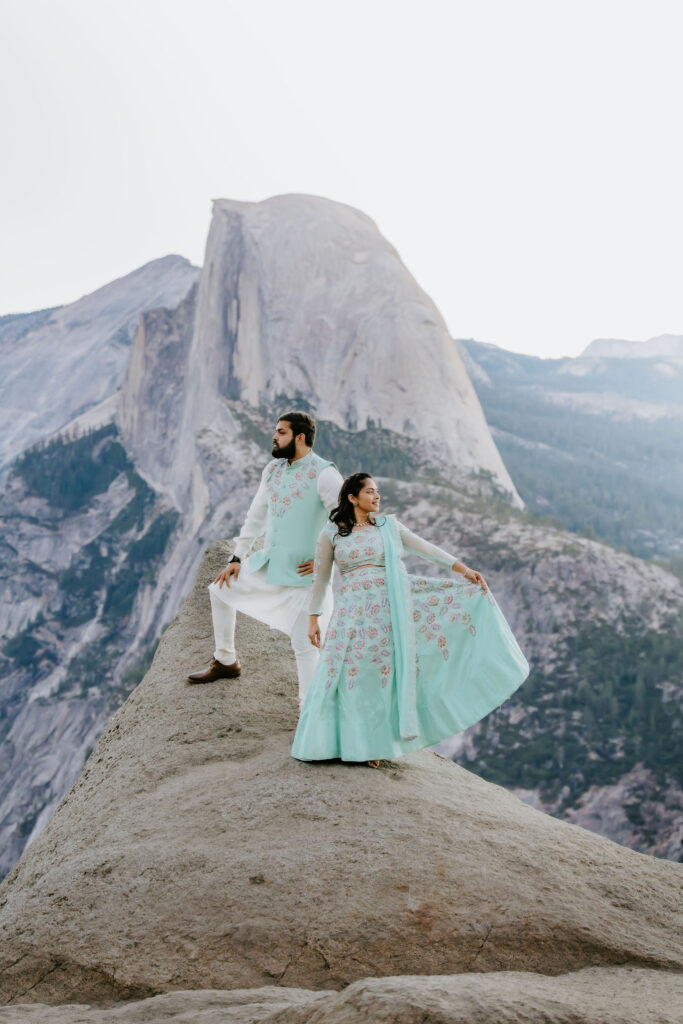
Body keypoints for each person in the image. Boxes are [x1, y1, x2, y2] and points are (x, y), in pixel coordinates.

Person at [291, 472, 529, 764]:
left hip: (389, 612)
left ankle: (373, 746)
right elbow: (321, 578)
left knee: (379, 676)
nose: (377, 496)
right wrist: (313, 617)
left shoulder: (388, 526)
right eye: (370, 492)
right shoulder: (331, 534)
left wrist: (464, 570)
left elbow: (426, 549)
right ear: (352, 497)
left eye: (378, 491)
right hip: (351, 614)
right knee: (348, 674)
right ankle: (337, 741)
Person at [188, 411, 343, 704]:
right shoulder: (273, 470)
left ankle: (310, 723)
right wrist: (237, 557)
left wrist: (328, 559)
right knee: (220, 589)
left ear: (300, 437)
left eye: (281, 432)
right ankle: (225, 660)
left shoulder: (326, 474)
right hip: (270, 566)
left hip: (305, 579)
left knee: (306, 648)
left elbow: (347, 521)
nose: (274, 436)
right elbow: (256, 515)